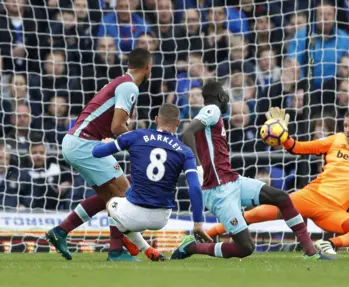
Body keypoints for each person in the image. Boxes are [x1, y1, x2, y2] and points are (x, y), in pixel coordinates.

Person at [205, 108, 349, 254]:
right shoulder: (336, 140)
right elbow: (298, 147)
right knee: (256, 215)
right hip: (311, 197)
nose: (348, 130)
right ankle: (207, 233)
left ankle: (329, 244)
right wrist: (284, 137)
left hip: (333, 213)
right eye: (345, 125)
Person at [171, 81, 330, 260]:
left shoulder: (215, 119)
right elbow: (187, 134)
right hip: (218, 191)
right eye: (225, 95)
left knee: (281, 197)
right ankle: (192, 247)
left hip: (233, 181)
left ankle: (311, 251)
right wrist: (198, 167)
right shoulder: (212, 110)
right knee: (246, 248)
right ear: (222, 97)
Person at [45, 48, 153, 262]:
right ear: (148, 67)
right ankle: (115, 250)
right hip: (85, 143)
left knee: (109, 197)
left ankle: (60, 232)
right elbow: (117, 127)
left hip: (78, 142)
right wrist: (142, 143)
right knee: (124, 195)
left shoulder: (120, 82)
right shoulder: (129, 86)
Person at [91, 104, 208, 262]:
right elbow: (195, 187)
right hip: (161, 218)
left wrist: (105, 143)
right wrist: (198, 223)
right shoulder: (185, 151)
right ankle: (149, 251)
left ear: (156, 120)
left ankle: (138, 244)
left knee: (112, 203)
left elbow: (96, 153)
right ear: (178, 123)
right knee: (126, 205)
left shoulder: (136, 136)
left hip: (133, 213)